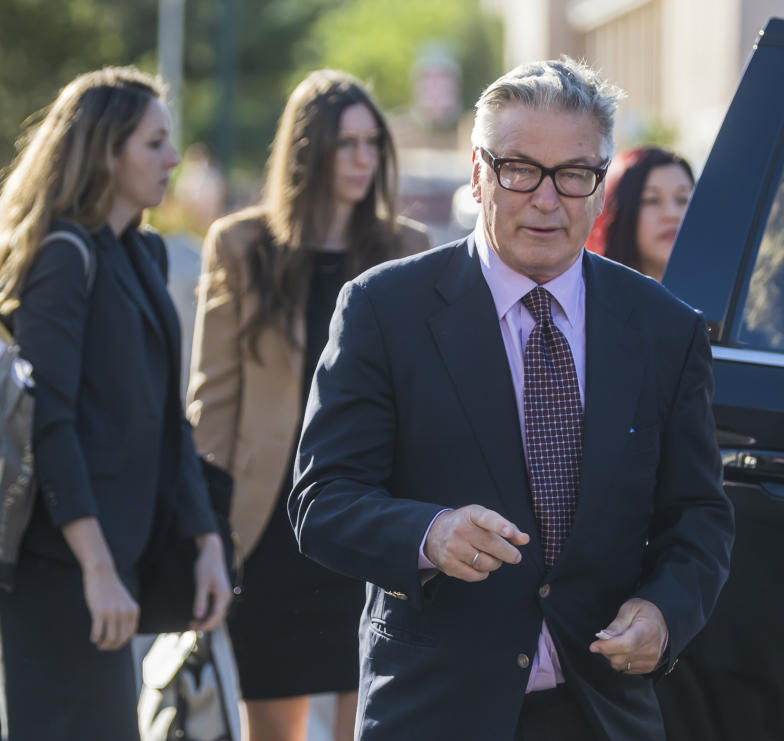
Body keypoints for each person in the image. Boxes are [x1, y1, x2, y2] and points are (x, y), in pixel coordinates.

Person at [288, 58, 734, 740]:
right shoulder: (384, 309)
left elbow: (699, 512)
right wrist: (429, 534)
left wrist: (666, 612)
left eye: (574, 173)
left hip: (600, 710)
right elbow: (323, 498)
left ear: (600, 184)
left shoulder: (664, 328)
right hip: (435, 710)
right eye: (519, 168)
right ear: (477, 173)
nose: (547, 198)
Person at [0, 66, 232, 740]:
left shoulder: (142, 254)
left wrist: (205, 540)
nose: (173, 158)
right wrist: (98, 567)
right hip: (60, 567)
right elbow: (48, 421)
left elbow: (169, 417)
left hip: (115, 559)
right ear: (106, 151)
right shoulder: (61, 257)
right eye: (154, 143)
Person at [186, 69, 430, 741]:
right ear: (307, 151)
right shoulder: (241, 246)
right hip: (267, 527)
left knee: (374, 719)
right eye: (345, 143)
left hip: (368, 517)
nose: (363, 159)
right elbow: (212, 400)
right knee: (273, 728)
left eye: (372, 143)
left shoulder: (405, 249)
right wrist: (206, 529)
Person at [585, 146, 695, 281]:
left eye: (683, 199)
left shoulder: (716, 294)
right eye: (652, 200)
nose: (672, 214)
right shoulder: (583, 298)